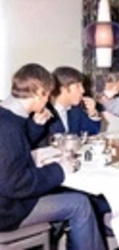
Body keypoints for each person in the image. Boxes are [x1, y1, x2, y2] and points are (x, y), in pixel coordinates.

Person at [0, 63, 105, 250]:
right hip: (7, 211)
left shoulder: (8, 116)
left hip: (7, 200)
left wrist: (36, 127)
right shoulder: (8, 127)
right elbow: (15, 184)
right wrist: (60, 170)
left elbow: (15, 150)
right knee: (80, 204)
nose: (48, 99)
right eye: (47, 94)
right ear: (39, 92)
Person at [28, 66, 101, 147]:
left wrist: (92, 113)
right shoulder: (41, 112)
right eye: (77, 86)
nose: (83, 90)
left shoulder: (76, 110)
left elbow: (91, 133)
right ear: (63, 89)